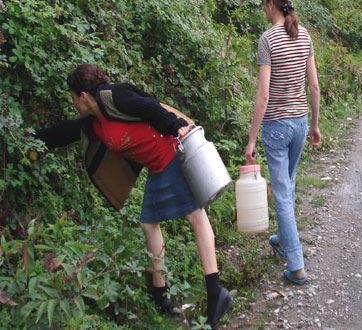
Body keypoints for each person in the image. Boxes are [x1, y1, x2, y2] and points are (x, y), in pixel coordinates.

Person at [35, 64, 232, 328]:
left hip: (171, 154)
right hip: (156, 167)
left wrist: (176, 126)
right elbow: (64, 132)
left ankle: (215, 292)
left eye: (73, 97)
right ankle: (159, 293)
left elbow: (149, 106)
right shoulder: (94, 123)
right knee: (148, 223)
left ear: (83, 95)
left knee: (196, 215)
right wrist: (30, 139)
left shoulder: (113, 95)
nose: (73, 103)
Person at [244, 0, 321, 285]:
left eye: (264, 4)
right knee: (287, 186)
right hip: (300, 123)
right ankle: (281, 239)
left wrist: (251, 139)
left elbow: (263, 95)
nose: (263, 10)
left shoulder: (268, 39)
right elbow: (314, 86)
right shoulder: (304, 35)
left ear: (271, 4)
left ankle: (297, 265)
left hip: (276, 127)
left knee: (282, 195)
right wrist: (315, 125)